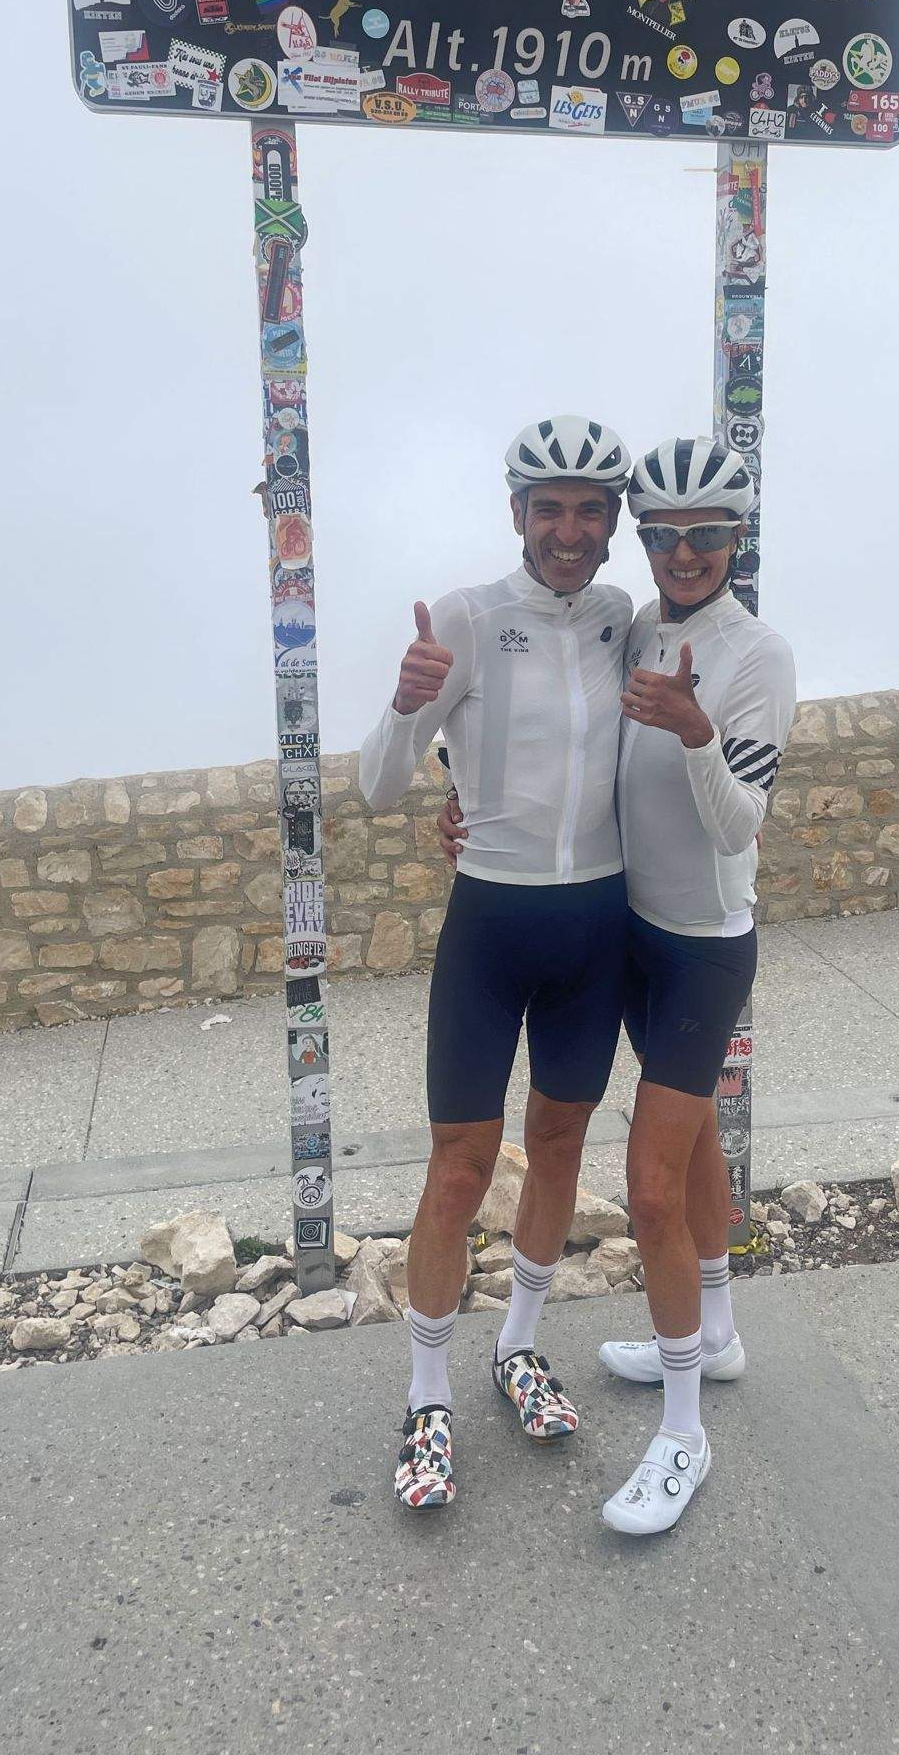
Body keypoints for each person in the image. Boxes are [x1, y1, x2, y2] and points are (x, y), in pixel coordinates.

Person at [441, 435, 793, 1536]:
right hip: (626, 925)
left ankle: (683, 1430)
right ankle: (718, 1332)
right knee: (682, 1159)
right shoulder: (638, 623)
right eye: (666, 532)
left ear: (738, 538)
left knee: (647, 1188)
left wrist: (696, 734)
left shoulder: (755, 653)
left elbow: (740, 823)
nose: (683, 551)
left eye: (708, 533)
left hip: (700, 944)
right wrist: (454, 796)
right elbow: (556, 740)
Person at [358, 415, 634, 1510]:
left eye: (589, 509)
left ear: (613, 520)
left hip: (597, 925)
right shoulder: (467, 619)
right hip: (493, 926)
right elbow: (382, 785)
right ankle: (427, 1395)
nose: (568, 530)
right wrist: (405, 692)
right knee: (460, 1167)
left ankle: (518, 1346)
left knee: (560, 1143)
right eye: (548, 508)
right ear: (516, 513)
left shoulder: (626, 620)